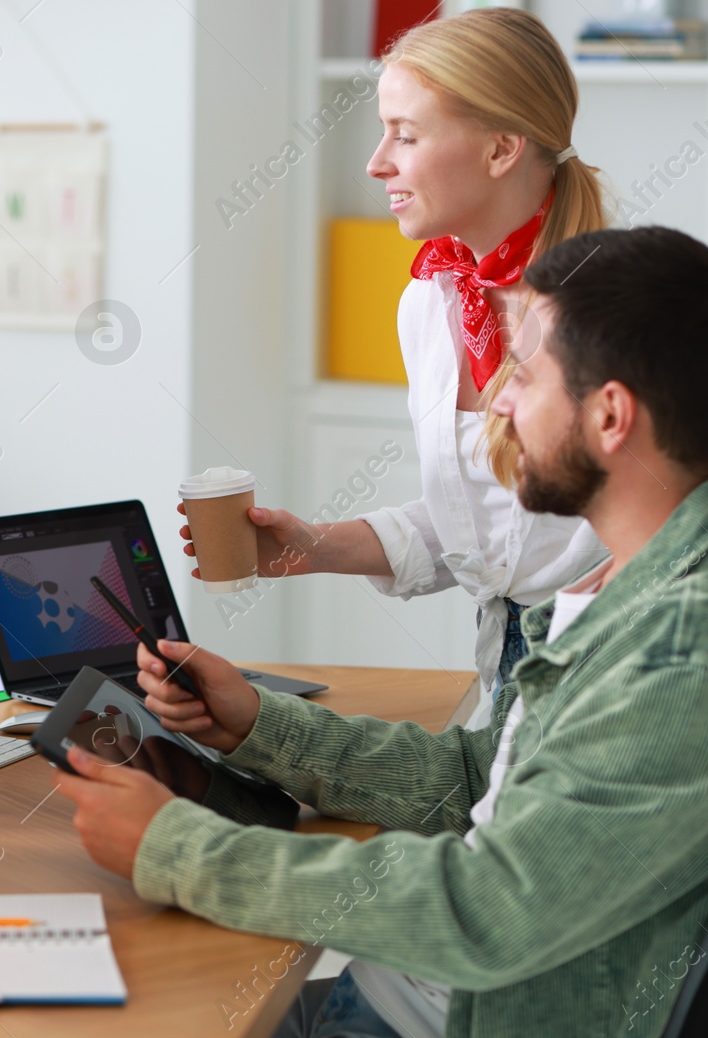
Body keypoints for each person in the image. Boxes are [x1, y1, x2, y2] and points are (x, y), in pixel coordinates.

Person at [57, 227, 708, 1038]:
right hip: (406, 994)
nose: (500, 403)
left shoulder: (677, 649)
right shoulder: (616, 584)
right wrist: (261, 723)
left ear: (610, 416)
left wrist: (178, 849)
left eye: (528, 376)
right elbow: (479, 783)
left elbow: (490, 908)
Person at [183, 9, 609, 722]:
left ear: (502, 147)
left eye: (405, 135)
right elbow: (489, 531)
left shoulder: (613, 310)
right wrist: (310, 546)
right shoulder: (429, 302)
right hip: (507, 659)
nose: (377, 162)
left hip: (605, 665)